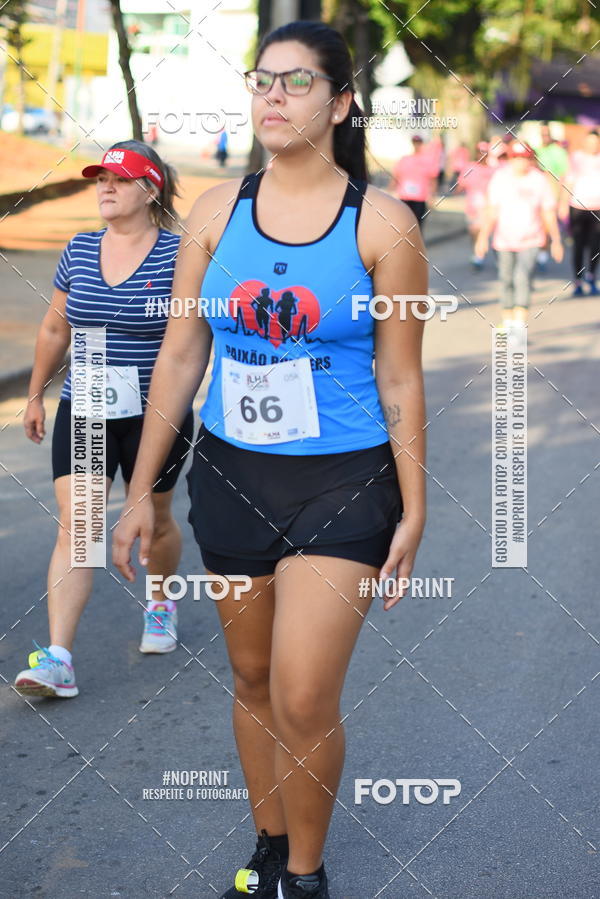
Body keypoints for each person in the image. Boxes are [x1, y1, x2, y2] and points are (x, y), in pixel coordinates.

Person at [112, 20, 427, 899]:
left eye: (296, 82)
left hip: (343, 482)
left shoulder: (385, 226)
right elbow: (181, 355)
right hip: (231, 476)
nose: (275, 97)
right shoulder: (216, 211)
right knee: (250, 676)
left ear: (340, 102)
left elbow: (401, 377)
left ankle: (305, 873)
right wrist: (144, 492)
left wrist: (414, 509)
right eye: (263, 81)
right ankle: (268, 840)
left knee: (299, 692)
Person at [14, 141, 195, 699]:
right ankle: (58, 659)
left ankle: (160, 598)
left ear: (150, 189)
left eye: (119, 179)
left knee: (155, 522)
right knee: (80, 526)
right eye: (100, 179)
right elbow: (53, 328)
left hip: (154, 413)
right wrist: (36, 394)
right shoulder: (79, 249)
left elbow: (191, 341)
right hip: (86, 406)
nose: (105, 187)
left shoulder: (179, 255)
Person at [475, 140, 563, 327]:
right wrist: (482, 238)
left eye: (525, 158)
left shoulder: (539, 179)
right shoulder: (500, 177)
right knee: (506, 279)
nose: (520, 162)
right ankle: (507, 320)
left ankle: (518, 323)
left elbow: (548, 211)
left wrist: (556, 240)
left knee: (522, 278)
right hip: (503, 240)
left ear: (530, 159)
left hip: (531, 239)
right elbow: (492, 210)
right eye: (516, 158)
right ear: (510, 159)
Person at [560, 129, 600, 296]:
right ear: (585, 143)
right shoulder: (577, 158)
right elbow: (568, 181)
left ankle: (591, 277)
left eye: (595, 142)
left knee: (595, 245)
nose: (592, 145)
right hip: (577, 207)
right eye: (589, 142)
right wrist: (562, 204)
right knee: (578, 245)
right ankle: (577, 280)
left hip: (597, 208)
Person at [535, 122, 569, 268]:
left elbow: (564, 177)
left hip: (551, 195)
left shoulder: (559, 152)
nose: (545, 136)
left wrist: (562, 200)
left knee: (546, 225)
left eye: (547, 134)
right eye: (542, 134)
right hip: (534, 195)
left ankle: (542, 254)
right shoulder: (535, 151)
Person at [457, 141, 494, 268]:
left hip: (487, 208)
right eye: (479, 152)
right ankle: (477, 250)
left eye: (484, 152)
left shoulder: (492, 170)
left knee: (484, 230)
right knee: (474, 231)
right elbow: (461, 184)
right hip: (472, 207)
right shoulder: (469, 168)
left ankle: (479, 256)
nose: (482, 155)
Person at [387, 134, 437, 225]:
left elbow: (433, 179)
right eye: (415, 143)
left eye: (419, 143)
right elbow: (396, 176)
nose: (416, 145)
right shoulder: (405, 159)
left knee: (417, 225)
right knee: (403, 224)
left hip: (420, 198)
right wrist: (389, 192)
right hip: (405, 197)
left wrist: (432, 196)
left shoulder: (427, 161)